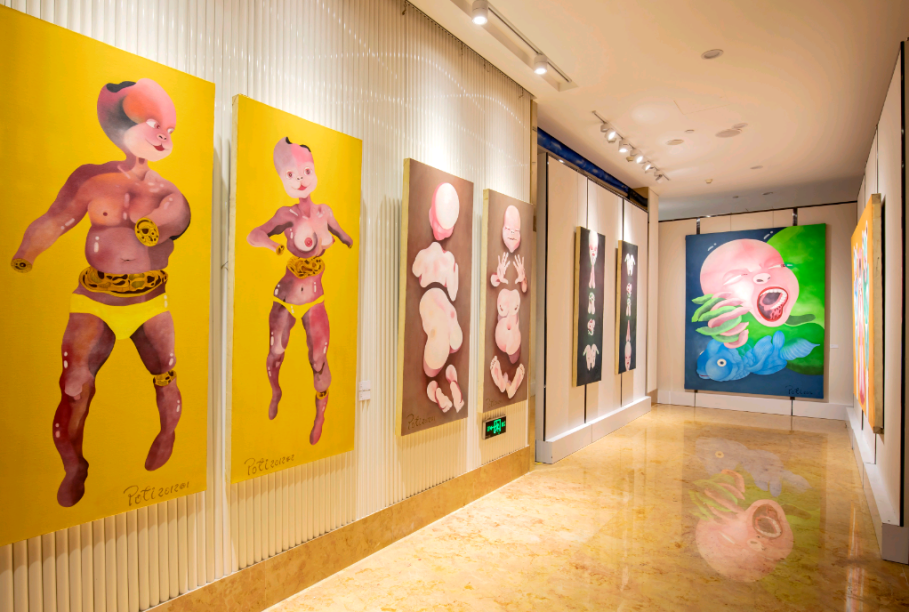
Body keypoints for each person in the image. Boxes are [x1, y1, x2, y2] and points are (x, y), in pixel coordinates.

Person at [11, 79, 188, 507]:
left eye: (168, 129)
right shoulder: (91, 179)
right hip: (94, 299)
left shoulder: (168, 192)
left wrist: (156, 225)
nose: (163, 136)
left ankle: (167, 434)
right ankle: (74, 465)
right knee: (74, 386)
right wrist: (26, 253)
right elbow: (56, 219)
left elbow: (177, 218)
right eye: (154, 125)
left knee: (164, 374)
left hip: (149, 301)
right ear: (120, 124)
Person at [247, 138, 353, 445]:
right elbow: (254, 234)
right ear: (283, 179)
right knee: (275, 352)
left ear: (314, 171)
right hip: (286, 296)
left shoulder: (325, 212)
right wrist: (272, 245)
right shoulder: (286, 215)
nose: (301, 180)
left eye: (306, 171)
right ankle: (275, 391)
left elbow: (345, 236)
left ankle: (320, 415)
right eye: (291, 175)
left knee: (319, 358)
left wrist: (343, 240)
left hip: (315, 298)